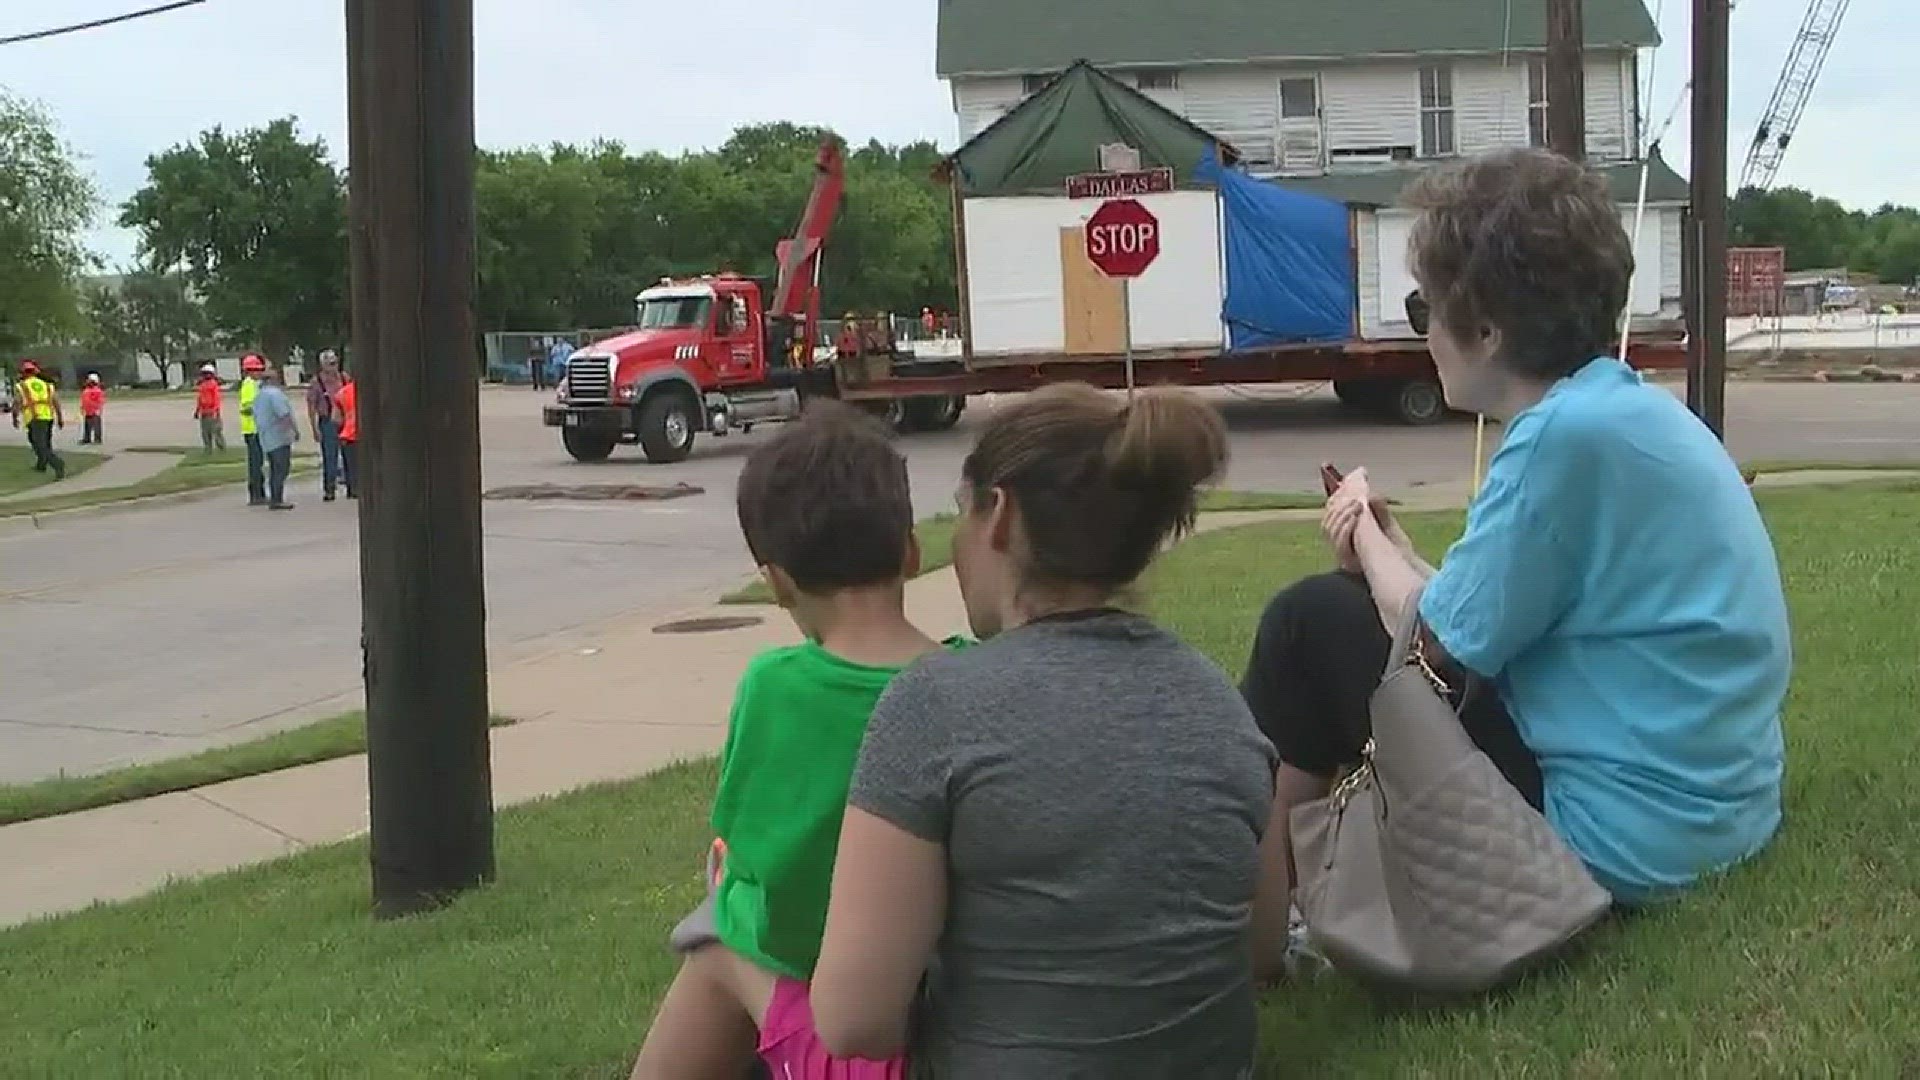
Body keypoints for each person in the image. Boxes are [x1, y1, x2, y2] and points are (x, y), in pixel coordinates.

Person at [1242, 148, 1791, 914]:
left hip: (1615, 846)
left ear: (1488, 329)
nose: (1424, 335)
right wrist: (1396, 554)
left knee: (1308, 623)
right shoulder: (1627, 413)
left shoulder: (1558, 438)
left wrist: (1363, 537)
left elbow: (1433, 644)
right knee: (1352, 606)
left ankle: (1263, 922)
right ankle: (1298, 895)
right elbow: (1487, 623)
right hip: (1712, 823)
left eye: (1424, 310)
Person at [807, 384, 1279, 1077]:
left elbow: (853, 1023)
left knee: (729, 964)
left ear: (998, 515)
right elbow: (1261, 950)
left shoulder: (936, 706)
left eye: (958, 514)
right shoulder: (1219, 703)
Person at [631, 403, 960, 1080]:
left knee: (716, 936)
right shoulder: (968, 677)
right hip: (943, 1003)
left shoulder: (773, 686)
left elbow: (751, 859)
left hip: (854, 1042)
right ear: (910, 551)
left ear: (777, 583)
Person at [252, 364, 300, 511]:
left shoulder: (259, 395)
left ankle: (275, 497)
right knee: (282, 468)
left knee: (274, 468)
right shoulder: (275, 394)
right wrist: (294, 431)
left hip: (266, 437)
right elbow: (284, 415)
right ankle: (277, 499)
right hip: (279, 436)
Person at [11, 360, 66, 480]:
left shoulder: (22, 386)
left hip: (34, 418)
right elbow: (56, 402)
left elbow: (17, 402)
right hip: (48, 417)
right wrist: (60, 418)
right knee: (45, 443)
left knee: (40, 445)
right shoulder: (47, 385)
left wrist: (14, 417)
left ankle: (58, 465)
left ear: (24, 373)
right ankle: (41, 465)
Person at [308, 349, 350, 501]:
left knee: (349, 455)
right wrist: (314, 428)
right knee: (330, 456)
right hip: (327, 421)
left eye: (335, 363)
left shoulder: (344, 378)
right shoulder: (316, 382)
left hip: (346, 420)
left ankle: (352, 487)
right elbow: (311, 406)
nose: (333, 367)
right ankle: (329, 489)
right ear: (322, 365)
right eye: (330, 364)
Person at [239, 354, 268, 506]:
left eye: (259, 370)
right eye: (255, 370)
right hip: (252, 429)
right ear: (248, 371)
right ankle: (256, 494)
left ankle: (259, 493)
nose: (259, 373)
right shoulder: (249, 385)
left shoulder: (255, 384)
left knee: (258, 463)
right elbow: (247, 406)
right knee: (255, 463)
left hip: (257, 428)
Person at [334, 376, 359, 499]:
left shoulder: (342, 392)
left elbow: (336, 418)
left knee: (350, 464)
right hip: (360, 433)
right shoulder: (368, 391)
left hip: (347, 432)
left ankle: (352, 489)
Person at [192, 364, 227, 453]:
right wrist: (197, 411)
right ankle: (208, 449)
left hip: (212, 412)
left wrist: (216, 411)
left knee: (216, 431)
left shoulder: (213, 385)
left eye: (208, 373)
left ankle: (221, 448)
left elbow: (216, 399)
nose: (206, 375)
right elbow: (200, 399)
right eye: (204, 374)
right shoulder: (202, 385)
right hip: (204, 412)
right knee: (205, 433)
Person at [79, 374, 106, 445]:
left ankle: (97, 439)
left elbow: (100, 401)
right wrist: (82, 408)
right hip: (88, 411)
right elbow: (84, 400)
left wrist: (98, 409)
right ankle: (86, 438)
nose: (87, 381)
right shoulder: (86, 390)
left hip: (94, 411)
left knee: (96, 425)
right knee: (87, 425)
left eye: (89, 380)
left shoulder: (97, 390)